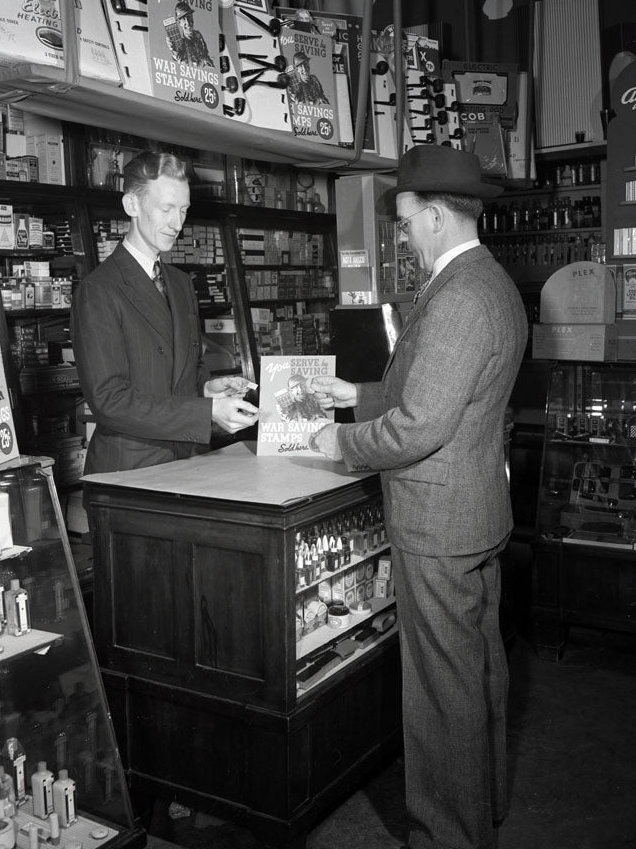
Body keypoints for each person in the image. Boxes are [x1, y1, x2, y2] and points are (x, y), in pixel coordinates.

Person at [310, 144, 527, 849]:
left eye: (405, 223)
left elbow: (420, 426)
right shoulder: (487, 281)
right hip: (474, 512)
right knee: (478, 671)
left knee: (441, 691)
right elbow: (445, 393)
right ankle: (483, 804)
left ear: (435, 216)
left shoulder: (457, 296)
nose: (402, 237)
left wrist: (340, 440)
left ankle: (447, 834)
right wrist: (358, 393)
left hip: (438, 523)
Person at [71, 151, 259, 475]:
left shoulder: (180, 283)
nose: (177, 224)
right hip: (129, 472)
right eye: (166, 209)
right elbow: (109, 401)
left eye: (183, 210)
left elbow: (184, 370)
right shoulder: (98, 290)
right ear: (132, 205)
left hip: (188, 461)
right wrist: (206, 412)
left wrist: (206, 390)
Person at [166, 0, 214, 68]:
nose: (188, 23)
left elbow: (206, 55)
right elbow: (178, 56)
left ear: (192, 17)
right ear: (179, 23)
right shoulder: (180, 44)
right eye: (183, 19)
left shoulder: (198, 35)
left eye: (189, 17)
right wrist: (173, 49)